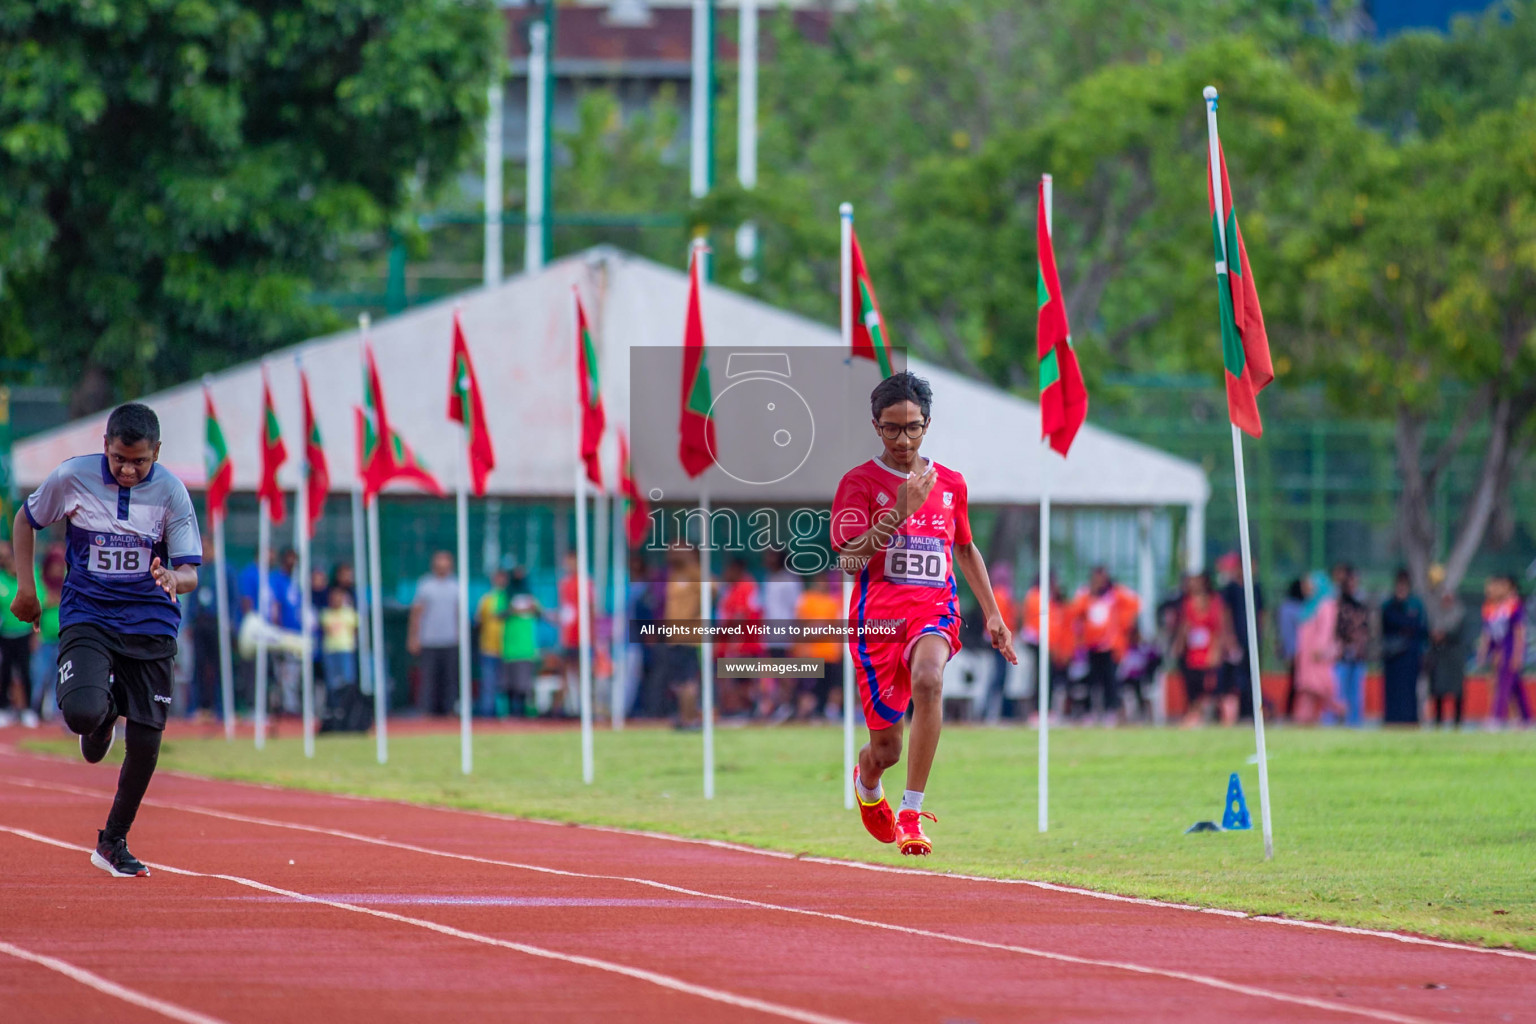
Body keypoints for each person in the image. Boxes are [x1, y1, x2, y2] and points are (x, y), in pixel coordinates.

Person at [8, 403, 201, 877]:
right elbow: (24, 520)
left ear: (157, 451)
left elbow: (190, 571)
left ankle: (113, 841)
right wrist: (27, 589)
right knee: (79, 714)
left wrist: (174, 579)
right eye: (119, 459)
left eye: (140, 460)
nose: (129, 469)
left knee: (147, 741)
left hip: (150, 620)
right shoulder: (72, 477)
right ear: (105, 448)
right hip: (88, 613)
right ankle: (102, 714)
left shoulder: (172, 493)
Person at [832, 371, 1017, 857]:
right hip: (877, 625)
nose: (903, 439)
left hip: (934, 611)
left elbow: (966, 548)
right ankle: (867, 779)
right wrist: (896, 512)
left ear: (927, 424)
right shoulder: (858, 483)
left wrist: (994, 614)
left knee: (931, 680)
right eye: (892, 428)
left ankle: (912, 812)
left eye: (912, 427)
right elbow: (848, 560)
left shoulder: (951, 483)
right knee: (885, 751)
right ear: (876, 426)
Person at [1069, 566, 1140, 724]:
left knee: (1110, 680)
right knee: (1091, 680)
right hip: (1091, 646)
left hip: (1111, 646)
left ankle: (1111, 711)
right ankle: (1090, 712)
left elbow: (1134, 602)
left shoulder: (1115, 595)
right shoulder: (1086, 595)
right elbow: (1075, 612)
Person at [1173, 571, 1233, 726]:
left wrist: (1217, 651)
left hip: (1209, 652)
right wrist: (1179, 645)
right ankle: (1195, 716)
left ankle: (1222, 717)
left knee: (1212, 688)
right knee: (1195, 688)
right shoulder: (1187, 603)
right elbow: (1185, 626)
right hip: (1193, 654)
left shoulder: (1215, 602)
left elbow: (1220, 628)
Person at [407, 550, 459, 717]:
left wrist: (459, 635)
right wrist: (413, 637)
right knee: (428, 679)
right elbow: (417, 613)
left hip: (450, 639)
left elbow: (458, 612)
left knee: (449, 679)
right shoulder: (425, 585)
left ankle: (449, 710)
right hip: (429, 639)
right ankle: (426, 713)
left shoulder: (455, 585)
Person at [1217, 552, 1265, 721]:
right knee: (1235, 678)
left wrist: (1261, 635)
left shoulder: (1256, 588)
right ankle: (1232, 714)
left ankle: (1250, 712)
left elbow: (1261, 614)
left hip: (1252, 640)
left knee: (1252, 677)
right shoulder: (1230, 589)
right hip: (1236, 639)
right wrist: (1229, 638)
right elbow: (1226, 614)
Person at [1479, 573, 1529, 729]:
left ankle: (1497, 717)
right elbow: (1488, 634)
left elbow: (1519, 632)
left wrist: (1517, 654)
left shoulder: (1514, 605)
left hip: (1509, 650)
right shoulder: (1490, 607)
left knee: (1503, 685)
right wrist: (1484, 652)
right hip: (1498, 651)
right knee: (1515, 687)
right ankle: (1527, 718)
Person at [1293, 571, 1343, 725]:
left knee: (1319, 690)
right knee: (1309, 692)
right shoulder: (1309, 605)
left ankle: (1340, 711)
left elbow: (1326, 630)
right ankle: (1307, 721)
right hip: (1307, 657)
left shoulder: (1326, 605)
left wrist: (1320, 649)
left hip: (1317, 656)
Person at [0, 541, 41, 727]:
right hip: (5, 634)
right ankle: (5, 708)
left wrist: (35, 632)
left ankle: (28, 710)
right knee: (5, 672)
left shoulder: (27, 580)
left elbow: (40, 599)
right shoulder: (1, 580)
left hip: (24, 633)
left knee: (25, 672)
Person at [793, 574, 843, 721]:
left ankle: (830, 715)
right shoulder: (807, 600)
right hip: (811, 654)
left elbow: (837, 627)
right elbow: (800, 627)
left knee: (832, 686)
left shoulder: (833, 602)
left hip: (830, 655)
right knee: (808, 690)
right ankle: (805, 717)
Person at [1379, 569, 1427, 725]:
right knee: (1393, 690)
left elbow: (1420, 627)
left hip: (1410, 655)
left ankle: (1410, 720)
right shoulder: (1389, 604)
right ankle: (1392, 719)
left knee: (1409, 691)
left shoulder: (1415, 603)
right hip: (1393, 655)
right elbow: (1389, 623)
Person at [1424, 566, 1469, 729]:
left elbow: (1458, 632)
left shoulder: (1459, 611)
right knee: (1438, 690)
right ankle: (1438, 721)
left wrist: (1445, 636)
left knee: (1456, 691)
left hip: (1454, 655)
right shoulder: (1435, 609)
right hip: (1439, 655)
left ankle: (1457, 722)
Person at [501, 566, 544, 718]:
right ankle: (510, 714)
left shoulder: (530, 595)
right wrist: (513, 610)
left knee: (524, 685)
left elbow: (540, 613)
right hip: (510, 648)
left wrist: (532, 608)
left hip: (526, 648)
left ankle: (524, 714)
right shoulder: (506, 594)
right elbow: (499, 614)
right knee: (509, 685)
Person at [474, 568, 509, 718]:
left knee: (505, 685)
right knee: (488, 684)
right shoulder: (486, 599)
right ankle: (487, 715)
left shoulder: (510, 598)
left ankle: (505, 714)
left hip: (508, 649)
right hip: (488, 648)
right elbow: (478, 621)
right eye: (497, 577)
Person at [319, 586, 359, 695]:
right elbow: (326, 630)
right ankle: (335, 705)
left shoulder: (349, 613)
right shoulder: (326, 614)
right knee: (332, 680)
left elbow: (355, 630)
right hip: (330, 650)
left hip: (346, 649)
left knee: (347, 679)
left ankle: (348, 704)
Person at [1277, 578, 1305, 721]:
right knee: (1295, 683)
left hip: (1301, 651)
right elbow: (1286, 632)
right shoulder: (1289, 608)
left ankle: (1294, 712)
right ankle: (1289, 712)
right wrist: (1290, 652)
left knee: (1298, 683)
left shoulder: (1300, 606)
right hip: (1295, 651)